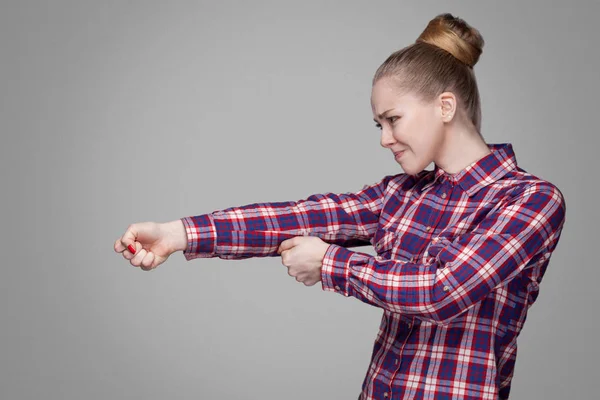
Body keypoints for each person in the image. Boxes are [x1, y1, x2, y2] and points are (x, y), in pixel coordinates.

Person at [114, 13, 566, 400]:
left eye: (393, 119)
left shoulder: (529, 200)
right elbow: (300, 217)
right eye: (378, 123)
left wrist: (330, 265)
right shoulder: (400, 193)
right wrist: (178, 234)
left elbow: (441, 290)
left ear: (445, 105)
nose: (385, 138)